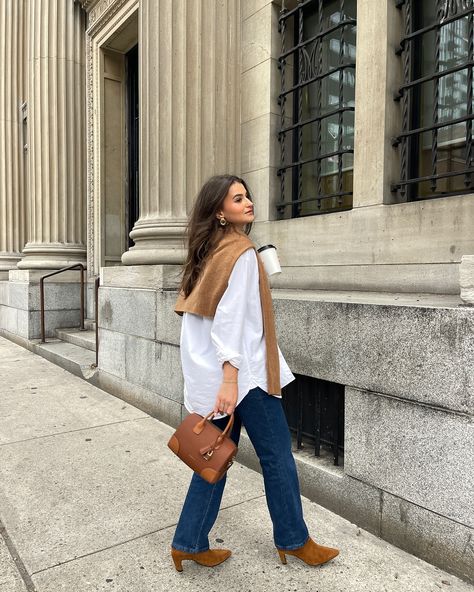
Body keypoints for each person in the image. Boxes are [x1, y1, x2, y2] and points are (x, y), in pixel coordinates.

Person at [170, 174, 339, 572]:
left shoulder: (208, 252)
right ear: (220, 212)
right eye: (237, 198)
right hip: (242, 378)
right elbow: (232, 321)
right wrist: (230, 378)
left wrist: (216, 377)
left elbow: (196, 323)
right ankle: (295, 541)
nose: (248, 203)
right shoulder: (241, 252)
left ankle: (189, 542)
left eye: (247, 196)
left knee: (215, 456)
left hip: (216, 374)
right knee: (277, 457)